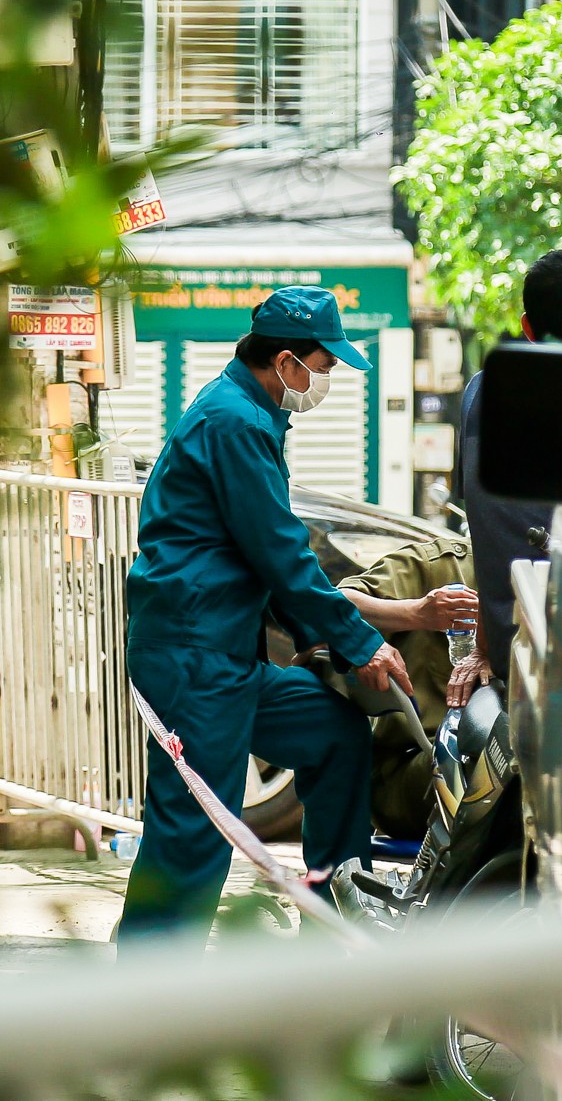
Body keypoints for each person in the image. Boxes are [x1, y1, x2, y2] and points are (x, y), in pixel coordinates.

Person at [117, 285, 411, 949]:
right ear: (286, 361)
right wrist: (359, 643)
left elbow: (270, 559)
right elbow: (281, 554)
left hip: (228, 659)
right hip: (195, 659)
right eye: (324, 366)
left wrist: (332, 646)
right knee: (195, 831)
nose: (327, 379)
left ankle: (336, 906)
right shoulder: (233, 423)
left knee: (335, 732)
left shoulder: (253, 414)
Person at [453, 247, 562, 703]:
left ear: (528, 327)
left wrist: (484, 646)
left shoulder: (482, 391)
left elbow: (487, 531)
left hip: (512, 659)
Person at [336, 538, 477, 838]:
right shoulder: (439, 564)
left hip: (525, 767)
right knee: (492, 752)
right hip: (417, 768)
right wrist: (417, 613)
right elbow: (337, 604)